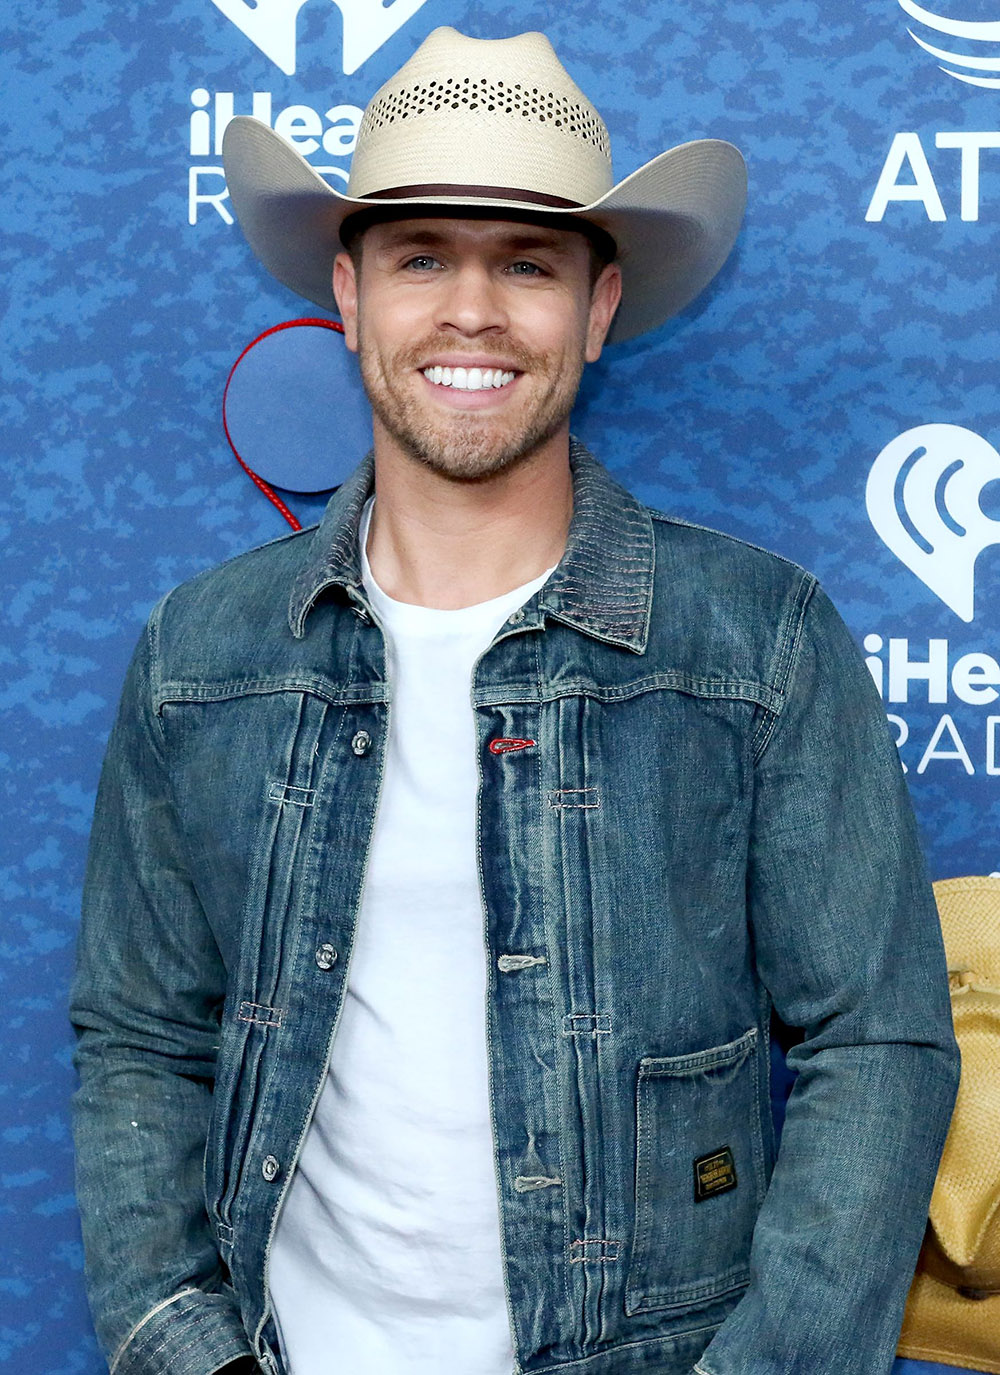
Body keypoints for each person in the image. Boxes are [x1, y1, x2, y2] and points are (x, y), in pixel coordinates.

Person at [71, 26, 960, 1375]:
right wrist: (184, 1347)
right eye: (422, 255)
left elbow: (878, 1046)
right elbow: (139, 1040)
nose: (471, 312)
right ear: (349, 293)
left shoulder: (757, 638)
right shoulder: (202, 652)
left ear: (598, 307)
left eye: (527, 263)